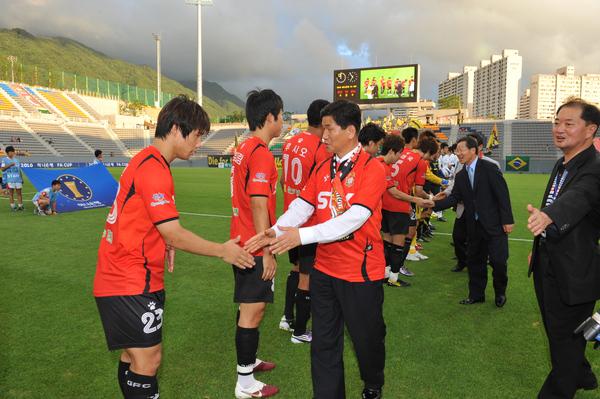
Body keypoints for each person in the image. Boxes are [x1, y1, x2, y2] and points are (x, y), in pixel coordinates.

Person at [93, 95, 254, 399]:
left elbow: (144, 219)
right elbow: (174, 232)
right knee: (148, 358)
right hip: (128, 279)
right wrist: (222, 250)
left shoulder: (147, 161)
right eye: (197, 136)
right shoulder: (153, 168)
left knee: (134, 357)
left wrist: (161, 240)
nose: (199, 144)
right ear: (178, 129)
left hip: (127, 275)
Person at [245, 100, 388, 399]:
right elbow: (303, 204)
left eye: (329, 128)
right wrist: (278, 229)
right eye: (322, 128)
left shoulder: (372, 169)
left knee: (367, 340)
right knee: (324, 344)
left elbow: (354, 219)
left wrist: (302, 236)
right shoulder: (323, 166)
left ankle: (373, 382)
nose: (323, 135)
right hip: (324, 271)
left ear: (350, 131)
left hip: (360, 274)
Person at [526, 98, 600, 399]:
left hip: (574, 272)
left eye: (569, 124)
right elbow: (556, 198)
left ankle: (564, 384)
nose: (559, 129)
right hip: (549, 264)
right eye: (557, 122)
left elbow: (579, 197)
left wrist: (550, 215)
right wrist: (540, 243)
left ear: (590, 130)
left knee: (564, 345)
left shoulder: (594, 169)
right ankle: (583, 374)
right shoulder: (563, 163)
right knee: (561, 336)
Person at [230, 89, 283, 398]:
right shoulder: (260, 153)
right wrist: (267, 251)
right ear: (269, 118)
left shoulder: (244, 147)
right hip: (253, 244)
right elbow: (259, 203)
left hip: (241, 237)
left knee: (249, 307)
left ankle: (250, 361)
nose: (284, 122)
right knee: (254, 310)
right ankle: (245, 384)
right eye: (281, 116)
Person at [433, 136, 514, 306]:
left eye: (462, 149)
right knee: (475, 262)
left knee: (499, 262)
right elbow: (455, 198)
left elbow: (502, 195)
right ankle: (476, 295)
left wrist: (507, 220)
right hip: (474, 226)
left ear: (473, 150)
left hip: (495, 224)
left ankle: (500, 292)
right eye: (457, 150)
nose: (459, 153)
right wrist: (433, 204)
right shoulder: (461, 175)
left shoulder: (490, 168)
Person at [279, 98, 330, 343]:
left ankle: (287, 318)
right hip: (308, 223)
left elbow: (282, 181)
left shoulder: (290, 142)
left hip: (290, 217)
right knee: (307, 277)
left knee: (296, 269)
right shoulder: (320, 148)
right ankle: (300, 331)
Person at [1, 145, 24, 211]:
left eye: (13, 151)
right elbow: (2, 169)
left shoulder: (17, 160)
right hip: (10, 179)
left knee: (19, 193)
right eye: (11, 151)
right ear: (8, 153)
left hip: (18, 179)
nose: (13, 153)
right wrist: (10, 165)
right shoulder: (4, 160)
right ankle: (13, 206)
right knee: (11, 193)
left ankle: (20, 206)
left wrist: (21, 178)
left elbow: (19, 170)